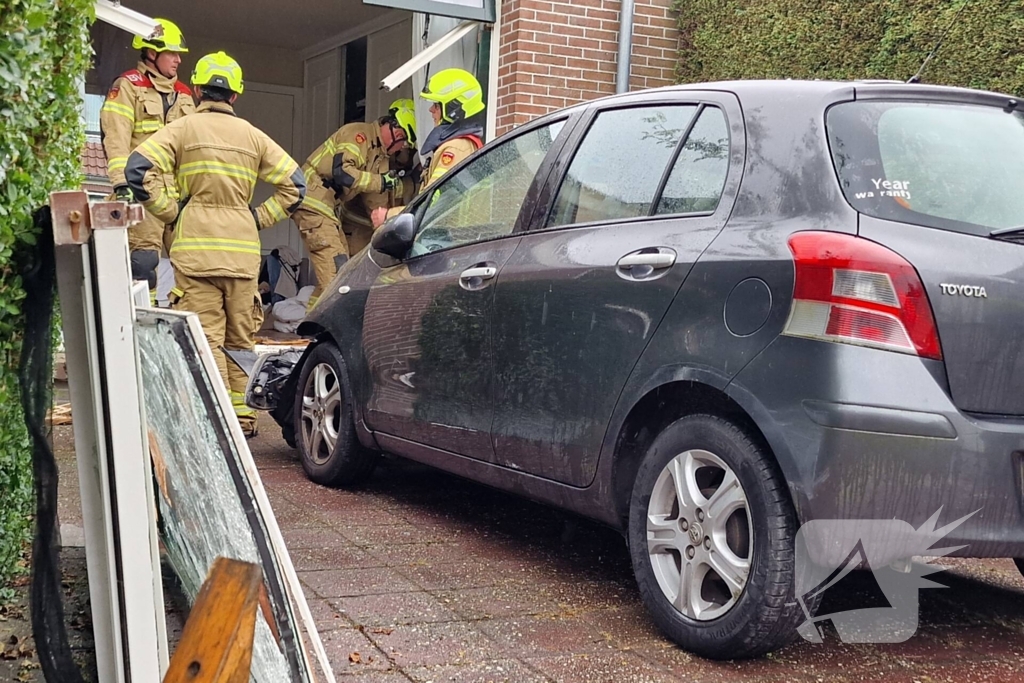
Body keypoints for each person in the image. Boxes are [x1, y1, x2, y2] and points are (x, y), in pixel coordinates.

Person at [124, 52, 306, 437]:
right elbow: (296, 186)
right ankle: (244, 419)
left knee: (205, 343)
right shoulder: (253, 136)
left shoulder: (183, 128)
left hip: (196, 255)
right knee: (240, 342)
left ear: (196, 90)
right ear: (235, 95)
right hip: (241, 257)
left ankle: (215, 426)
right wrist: (257, 218)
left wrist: (172, 212)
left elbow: (137, 170)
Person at [100, 18, 195, 304]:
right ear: (152, 53)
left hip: (178, 195)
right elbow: (116, 138)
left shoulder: (185, 95)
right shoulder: (128, 87)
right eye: (172, 53)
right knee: (143, 262)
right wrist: (122, 184)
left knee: (192, 265)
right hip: (143, 189)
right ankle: (143, 317)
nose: (178, 60)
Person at [291, 99, 417, 308]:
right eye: (403, 141)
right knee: (337, 276)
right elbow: (344, 173)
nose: (400, 148)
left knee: (340, 273)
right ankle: (327, 325)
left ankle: (310, 323)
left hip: (327, 210)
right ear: (394, 128)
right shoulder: (358, 134)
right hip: (313, 202)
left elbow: (377, 198)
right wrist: (381, 181)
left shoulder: (381, 156)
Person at [372, 69, 486, 228]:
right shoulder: (461, 144)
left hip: (449, 235)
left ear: (454, 109)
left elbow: (433, 201)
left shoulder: (456, 148)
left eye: (436, 105)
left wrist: (388, 216)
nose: (431, 110)